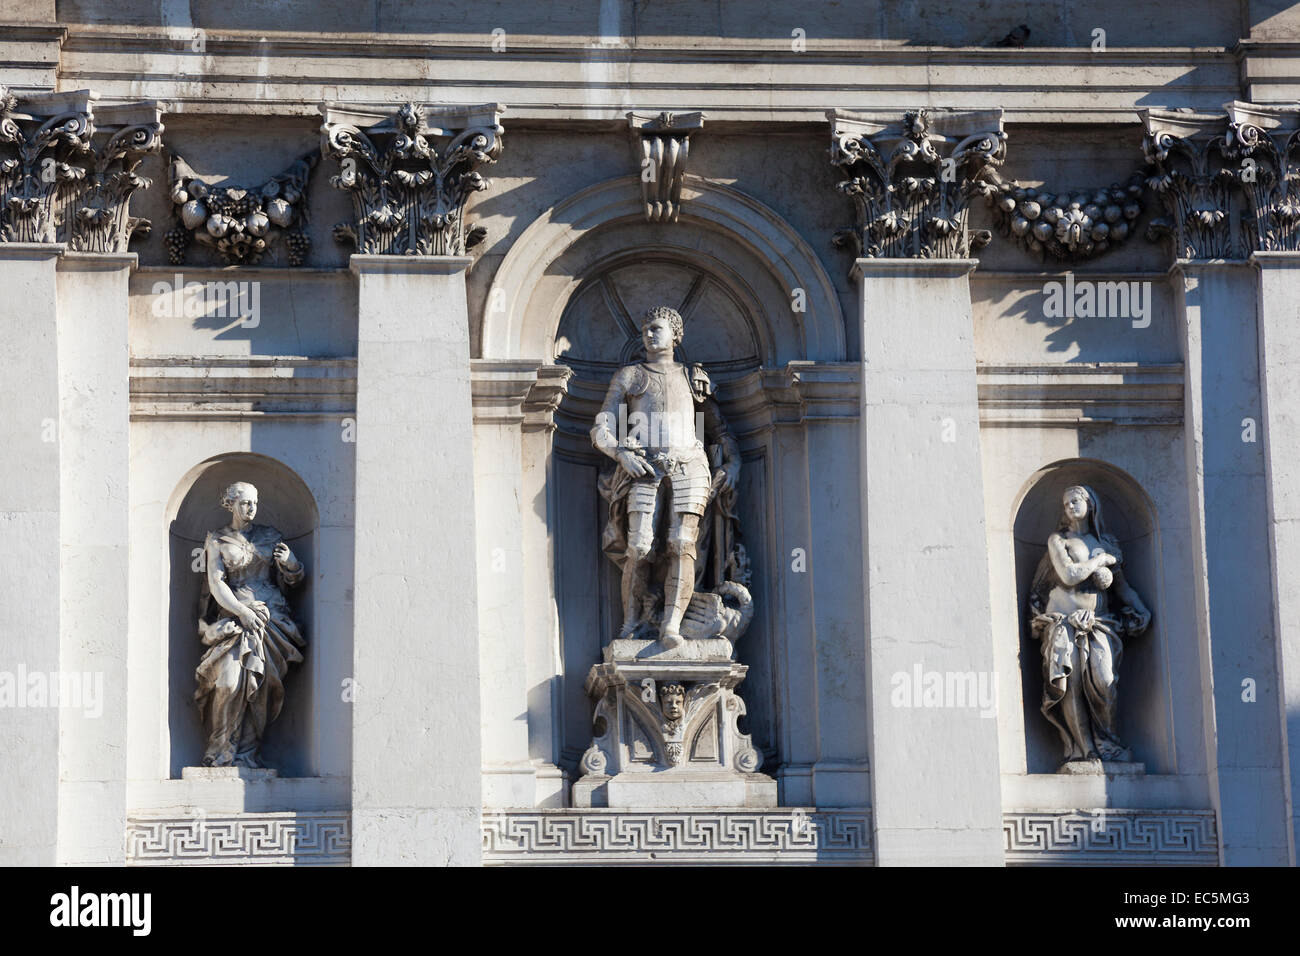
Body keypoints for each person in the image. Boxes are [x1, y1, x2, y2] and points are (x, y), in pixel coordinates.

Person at [591, 305, 740, 648]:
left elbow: (720, 432)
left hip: (690, 465)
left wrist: (734, 465)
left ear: (676, 334)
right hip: (644, 467)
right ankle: (631, 623)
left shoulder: (693, 378)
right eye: (645, 329)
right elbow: (602, 426)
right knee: (639, 546)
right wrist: (621, 454)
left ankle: (671, 626)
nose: (648, 334)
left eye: (656, 328)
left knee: (682, 544)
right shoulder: (630, 376)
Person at [1029, 484, 1151, 766]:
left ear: (1090, 504)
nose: (1070, 506)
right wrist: (1098, 562)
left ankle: (1107, 743)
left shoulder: (1108, 544)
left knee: (1105, 682)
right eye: (1065, 503)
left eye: (1075, 500)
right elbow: (1069, 575)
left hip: (1099, 624)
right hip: (1062, 623)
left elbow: (1122, 589)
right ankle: (1085, 751)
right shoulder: (1059, 540)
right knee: (1069, 683)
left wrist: (1142, 610)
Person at [195, 481, 306, 768]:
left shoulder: (271, 536)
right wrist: (242, 611)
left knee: (263, 687)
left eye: (255, 502)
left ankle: (247, 754)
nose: (251, 508)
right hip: (235, 619)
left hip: (272, 621)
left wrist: (291, 563)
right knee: (230, 682)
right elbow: (216, 583)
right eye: (245, 502)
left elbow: (293, 580)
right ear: (230, 503)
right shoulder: (217, 539)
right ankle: (220, 750)